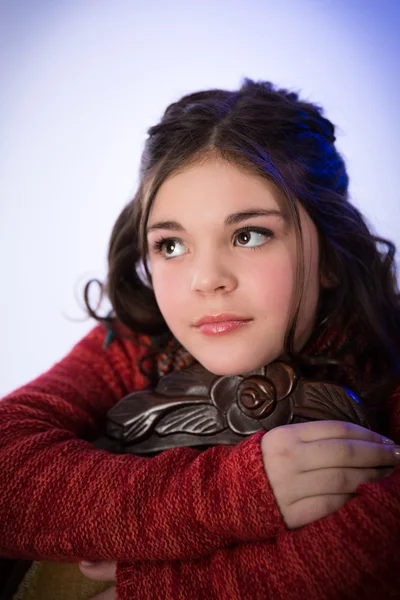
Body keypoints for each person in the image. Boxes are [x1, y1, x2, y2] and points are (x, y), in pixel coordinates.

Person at [1, 79, 400, 600]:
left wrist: (151, 588)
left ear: (330, 252)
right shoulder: (140, 342)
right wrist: (241, 491)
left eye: (248, 235)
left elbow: (380, 543)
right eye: (171, 244)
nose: (205, 279)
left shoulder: (383, 356)